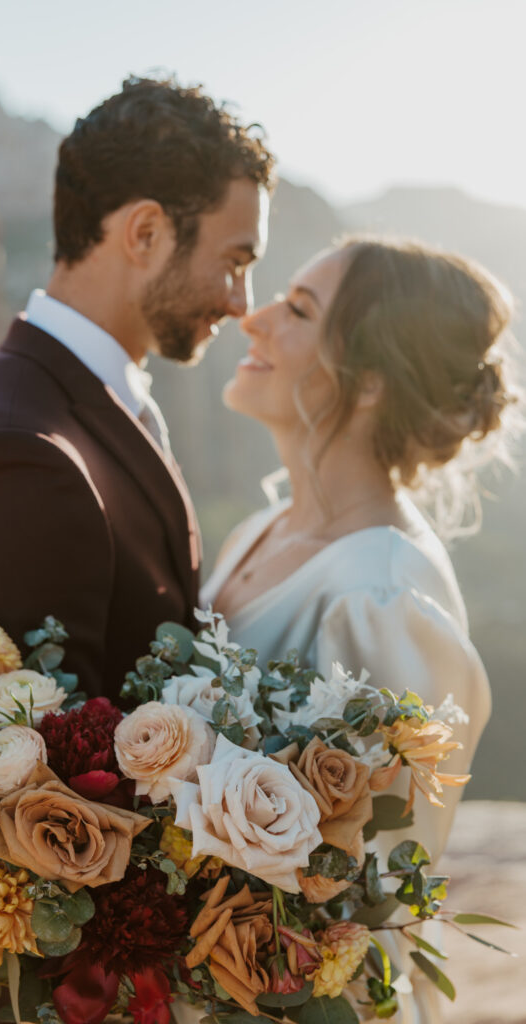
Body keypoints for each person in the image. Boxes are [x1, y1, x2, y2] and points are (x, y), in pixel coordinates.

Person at [202, 236, 518, 1022]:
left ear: (368, 381)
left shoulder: (379, 595)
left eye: (299, 310)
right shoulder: (264, 527)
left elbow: (368, 889)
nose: (254, 318)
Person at [0, 76, 274, 699]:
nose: (241, 303)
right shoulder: (15, 461)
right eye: (233, 262)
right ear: (145, 233)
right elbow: (39, 786)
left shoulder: (64, 402)